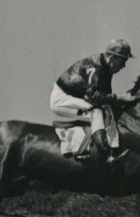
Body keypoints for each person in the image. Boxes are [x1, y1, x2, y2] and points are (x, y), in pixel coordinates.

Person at [51, 38, 134, 169]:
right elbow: (93, 96)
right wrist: (118, 97)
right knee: (95, 112)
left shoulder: (106, 68)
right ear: (112, 57)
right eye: (123, 61)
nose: (124, 66)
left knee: (106, 109)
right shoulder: (95, 67)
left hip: (76, 96)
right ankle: (106, 156)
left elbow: (106, 97)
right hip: (62, 98)